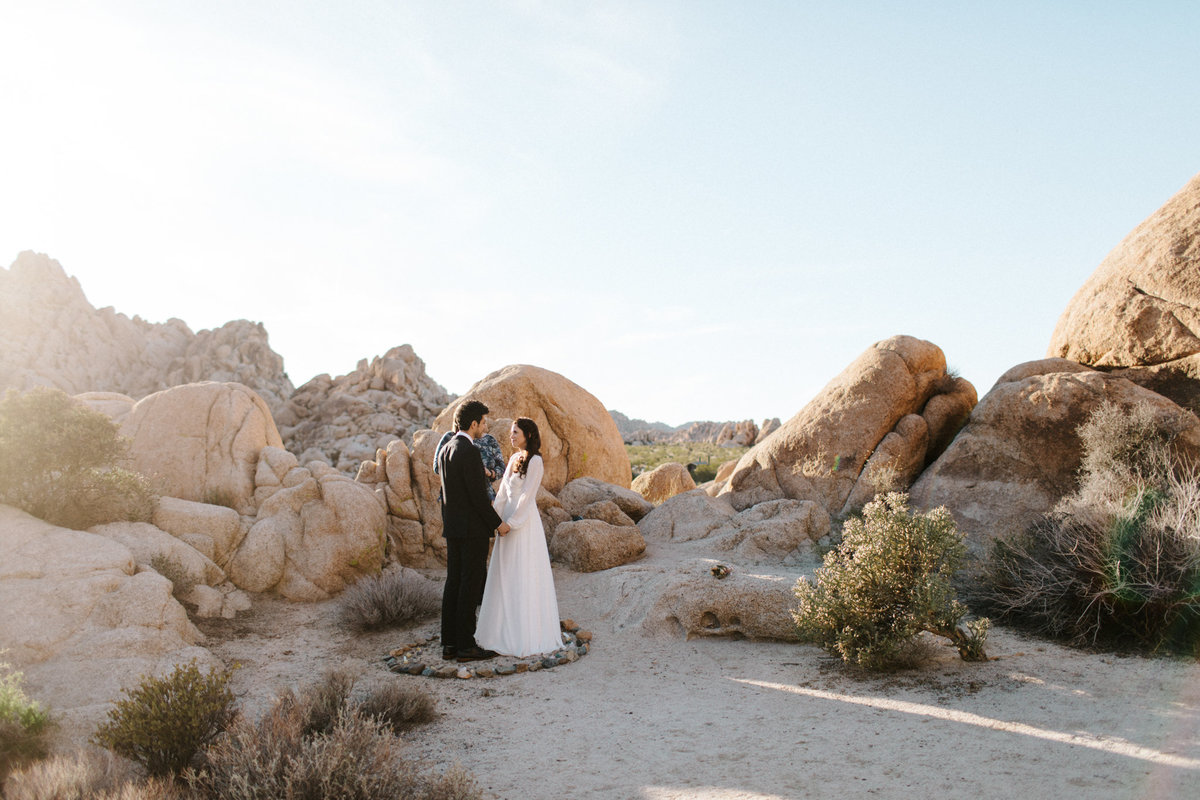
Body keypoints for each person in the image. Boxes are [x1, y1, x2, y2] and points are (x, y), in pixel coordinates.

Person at [476, 417, 563, 657]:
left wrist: (511, 524)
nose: (511, 436)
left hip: (523, 524)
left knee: (522, 573)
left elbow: (527, 497)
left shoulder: (535, 461)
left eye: (515, 432)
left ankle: (526, 634)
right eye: (511, 432)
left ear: (528, 435)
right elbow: (503, 493)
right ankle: (498, 631)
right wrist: (495, 521)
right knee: (504, 573)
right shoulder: (514, 458)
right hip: (505, 523)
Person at [437, 399, 510, 663]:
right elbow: (478, 497)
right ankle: (467, 646)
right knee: (469, 585)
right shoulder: (468, 451)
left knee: (453, 583)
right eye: (483, 422)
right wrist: (498, 524)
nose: (485, 427)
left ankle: (449, 644)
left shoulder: (446, 449)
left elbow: (448, 494)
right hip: (471, 530)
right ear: (473, 423)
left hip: (454, 529)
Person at [433, 428, 505, 500]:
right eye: (483, 423)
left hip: (482, 497)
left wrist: (490, 473)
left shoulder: (489, 440)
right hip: (456, 498)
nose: (484, 426)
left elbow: (501, 467)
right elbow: (437, 467)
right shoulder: (450, 437)